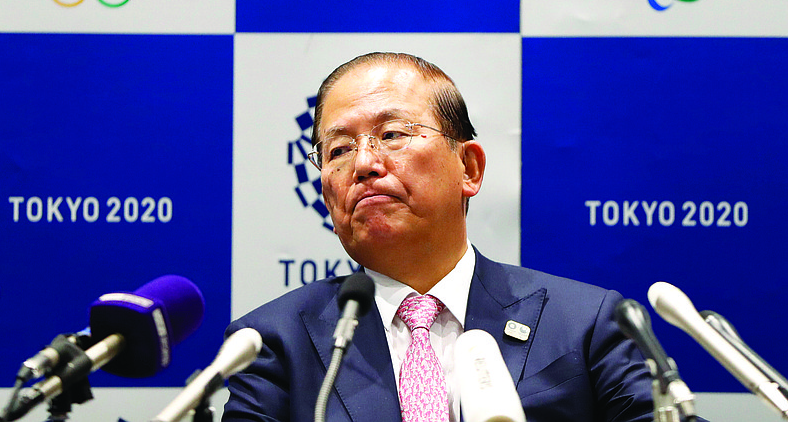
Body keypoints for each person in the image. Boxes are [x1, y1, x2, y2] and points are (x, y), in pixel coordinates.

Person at [223, 52, 654, 422]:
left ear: (469, 168)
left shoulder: (586, 322)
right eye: (338, 150)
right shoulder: (272, 342)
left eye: (392, 135)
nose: (364, 163)